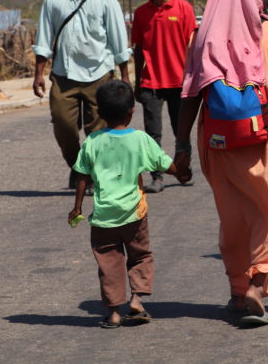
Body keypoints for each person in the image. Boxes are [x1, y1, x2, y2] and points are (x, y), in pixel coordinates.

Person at [173, 0, 268, 327]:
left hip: (217, 141)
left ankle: (237, 291)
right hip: (265, 140)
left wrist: (182, 146)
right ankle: (257, 284)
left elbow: (189, 95)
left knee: (231, 215)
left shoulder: (201, 37)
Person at [67, 80, 187, 329]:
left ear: (99, 113)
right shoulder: (140, 139)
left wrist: (77, 208)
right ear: (133, 111)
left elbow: (82, 176)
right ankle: (136, 299)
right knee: (140, 256)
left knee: (109, 264)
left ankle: (113, 313)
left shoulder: (93, 142)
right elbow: (164, 164)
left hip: (103, 217)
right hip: (134, 213)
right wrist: (182, 173)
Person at [33, 0, 131, 189]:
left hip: (99, 75)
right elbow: (44, 39)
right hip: (64, 75)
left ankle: (91, 176)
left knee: (97, 132)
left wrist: (125, 77)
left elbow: (119, 40)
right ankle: (78, 166)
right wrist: (38, 74)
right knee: (63, 125)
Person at [132, 0, 197, 193]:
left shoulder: (184, 9)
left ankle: (183, 168)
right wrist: (137, 81)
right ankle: (157, 176)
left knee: (182, 130)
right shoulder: (141, 13)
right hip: (151, 83)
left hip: (180, 82)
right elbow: (138, 48)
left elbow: (194, 45)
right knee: (152, 134)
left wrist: (195, 77)